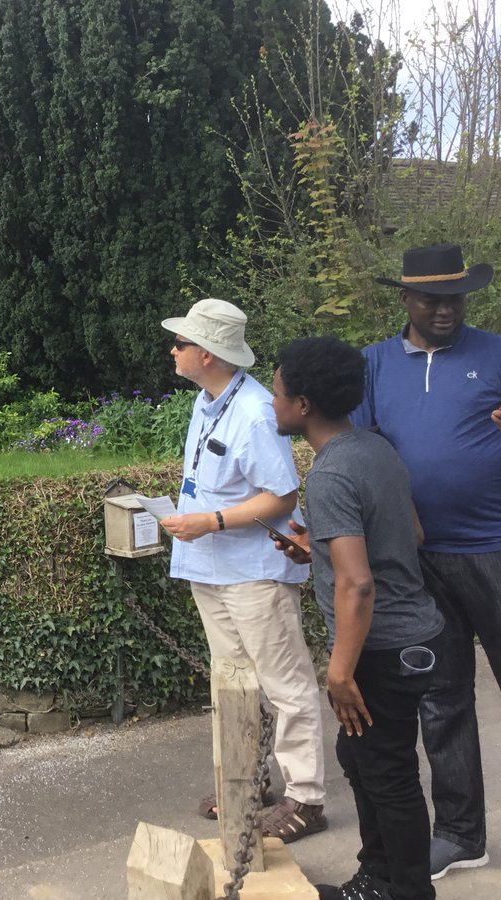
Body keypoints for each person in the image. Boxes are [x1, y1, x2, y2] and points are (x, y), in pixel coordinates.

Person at [272, 336, 444, 900]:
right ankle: (379, 878)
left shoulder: (329, 476)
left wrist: (340, 672)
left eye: (277, 392)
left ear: (303, 406)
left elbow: (358, 583)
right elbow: (410, 534)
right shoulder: (375, 448)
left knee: (386, 771)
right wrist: (317, 550)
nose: (272, 403)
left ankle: (405, 889)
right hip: (414, 635)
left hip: (380, 648)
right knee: (365, 757)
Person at [351, 243, 501, 880]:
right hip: (416, 562)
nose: (445, 309)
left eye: (456, 297)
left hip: (493, 549)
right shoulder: (373, 366)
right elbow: (358, 451)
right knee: (441, 698)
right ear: (405, 299)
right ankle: (463, 834)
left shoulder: (495, 352)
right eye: (432, 298)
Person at [159, 298, 326, 842]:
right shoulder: (208, 403)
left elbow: (282, 495)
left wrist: (211, 520)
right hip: (212, 568)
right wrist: (196, 521)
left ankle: (307, 796)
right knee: (233, 681)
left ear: (205, 354)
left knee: (284, 683)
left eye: (181, 343)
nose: (173, 350)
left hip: (254, 572)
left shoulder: (253, 411)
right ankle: (247, 781)